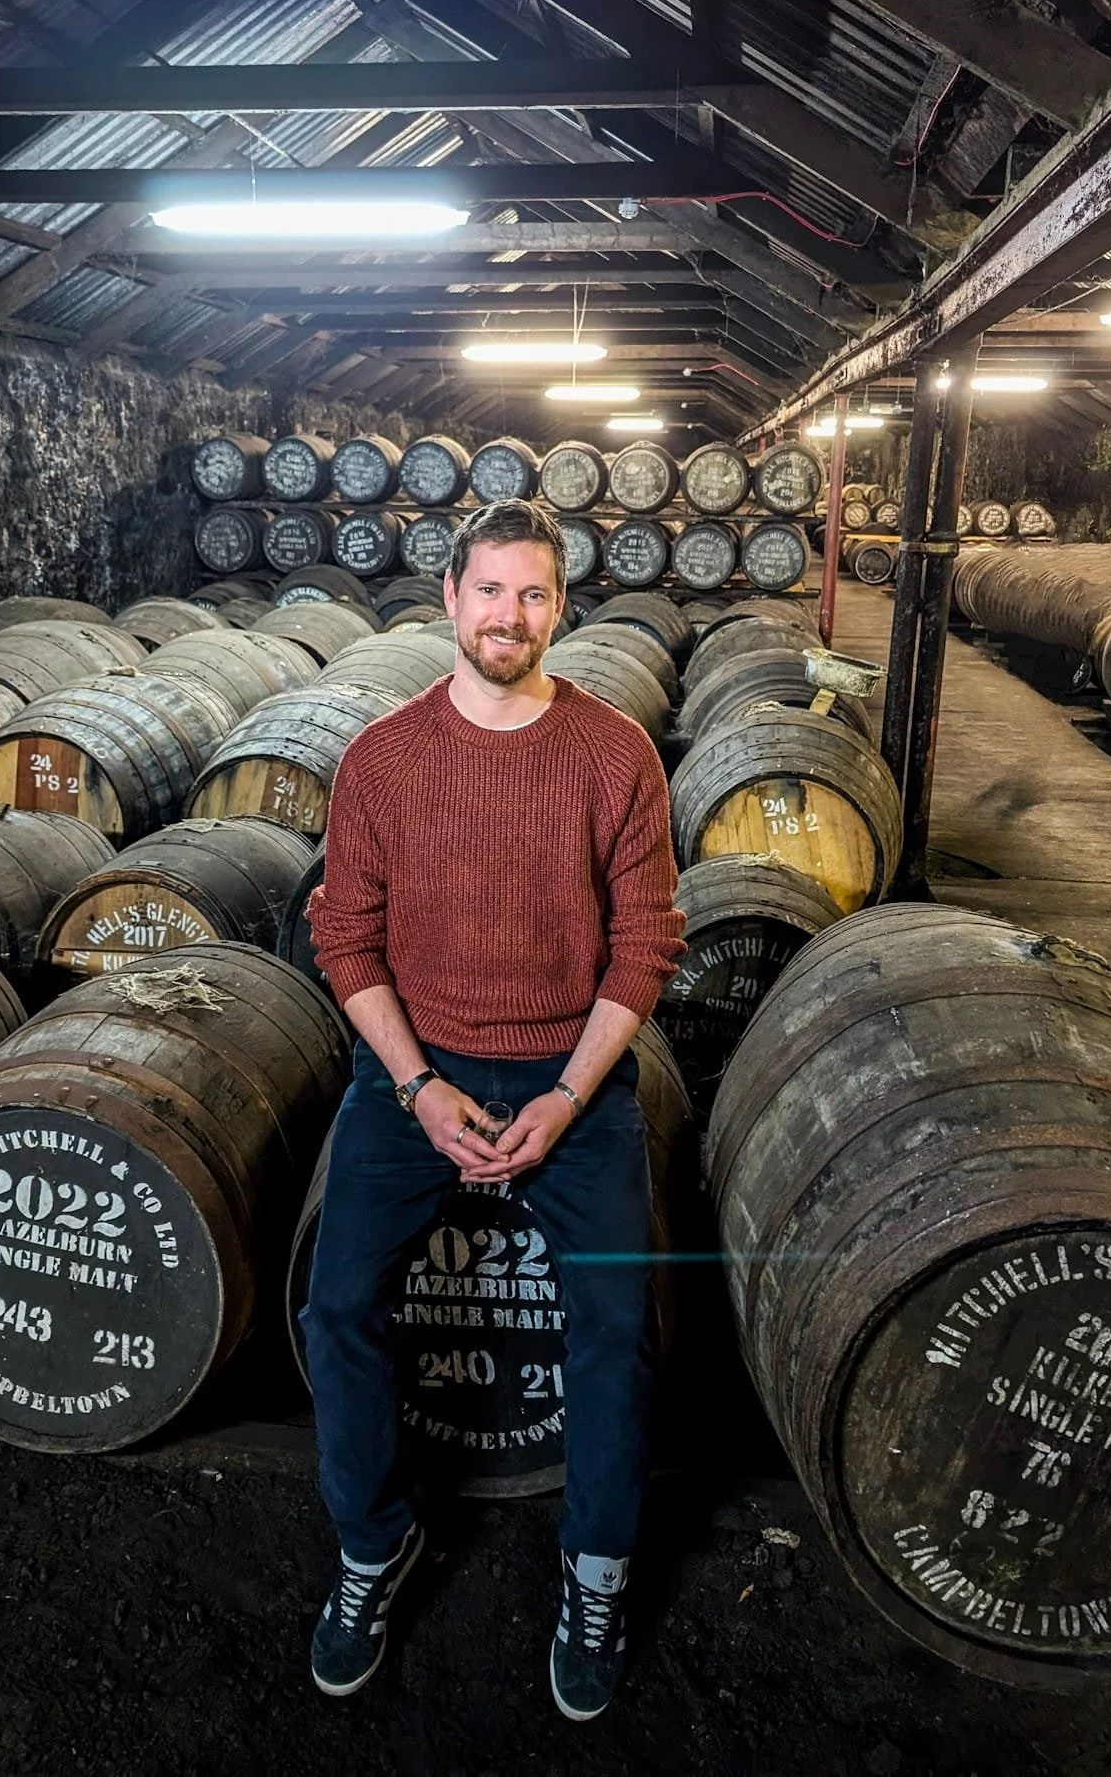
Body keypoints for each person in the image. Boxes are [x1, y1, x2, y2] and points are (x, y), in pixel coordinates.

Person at [301, 497, 685, 1721]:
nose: (508, 614)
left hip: (573, 1072)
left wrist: (569, 1095)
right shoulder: (383, 758)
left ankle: (596, 1569)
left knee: (618, 1326)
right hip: (416, 1072)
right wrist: (417, 1087)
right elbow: (346, 937)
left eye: (532, 593)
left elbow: (646, 942)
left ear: (561, 607)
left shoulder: (615, 752)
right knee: (337, 1302)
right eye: (489, 589)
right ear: (447, 597)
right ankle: (375, 1541)